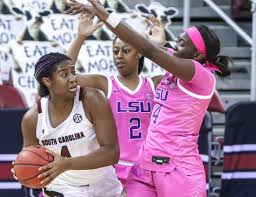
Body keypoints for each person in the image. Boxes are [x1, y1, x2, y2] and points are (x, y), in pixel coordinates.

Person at [66, 1, 232, 196]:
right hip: (145, 167)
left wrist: (104, 14)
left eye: (181, 43)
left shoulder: (200, 74)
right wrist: (162, 43)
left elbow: (148, 49)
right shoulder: (177, 68)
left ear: (197, 55)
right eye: (176, 41)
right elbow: (161, 50)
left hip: (178, 169)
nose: (175, 46)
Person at [67, 13, 163, 188]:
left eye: (126, 51)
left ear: (139, 53)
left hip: (145, 170)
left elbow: (185, 73)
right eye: (115, 51)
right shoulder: (104, 83)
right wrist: (81, 37)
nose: (119, 56)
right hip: (111, 170)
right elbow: (67, 76)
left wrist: (159, 46)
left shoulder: (154, 84)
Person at [12, 52, 122, 197]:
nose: (73, 79)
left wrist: (67, 164)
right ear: (47, 81)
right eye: (64, 75)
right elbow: (30, 160)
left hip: (104, 186)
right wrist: (22, 169)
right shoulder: (32, 118)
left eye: (73, 72)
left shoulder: (92, 99)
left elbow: (111, 153)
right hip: (62, 187)